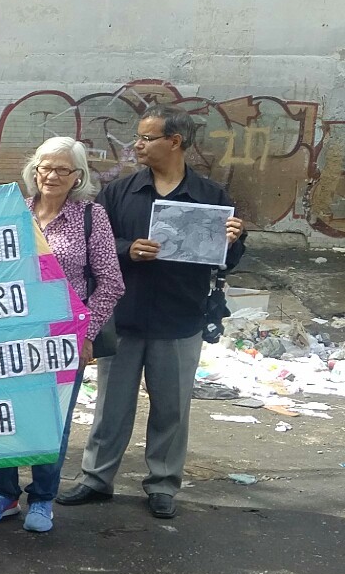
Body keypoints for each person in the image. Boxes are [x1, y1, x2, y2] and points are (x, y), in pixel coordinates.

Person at [57, 104, 246, 519]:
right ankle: (95, 478)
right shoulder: (119, 193)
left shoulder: (211, 198)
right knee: (111, 405)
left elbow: (224, 263)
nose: (137, 145)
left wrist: (233, 240)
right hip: (123, 316)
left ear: (174, 142)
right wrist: (128, 248)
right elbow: (95, 252)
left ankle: (162, 484)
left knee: (171, 407)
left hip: (180, 319)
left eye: (146, 138)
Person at [0, 137, 124, 532]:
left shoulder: (92, 217)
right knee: (6, 416)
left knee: (50, 419)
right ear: (33, 170)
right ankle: (3, 493)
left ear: (77, 177)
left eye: (62, 169)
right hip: (10, 335)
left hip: (62, 338)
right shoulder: (13, 212)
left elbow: (110, 282)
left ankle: (42, 499)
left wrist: (85, 332)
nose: (52, 176)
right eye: (45, 167)